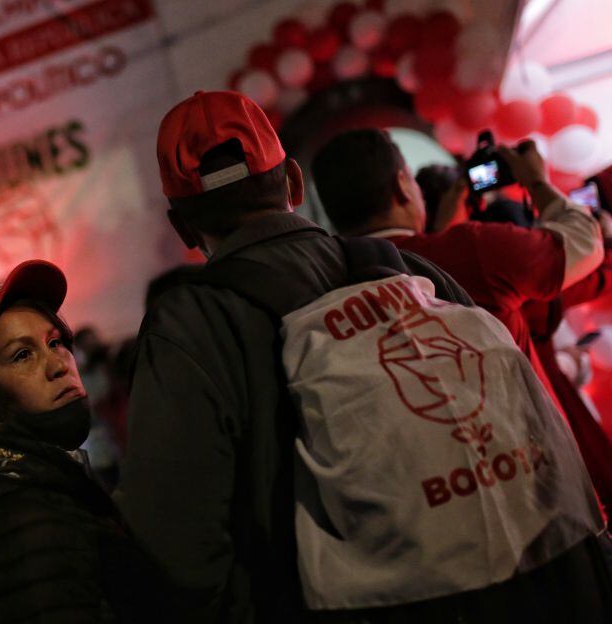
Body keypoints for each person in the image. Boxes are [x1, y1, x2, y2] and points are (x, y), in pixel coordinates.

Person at [117, 91, 610, 622]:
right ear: (292, 183)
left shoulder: (191, 328)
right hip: (541, 581)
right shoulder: (410, 271)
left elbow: (175, 545)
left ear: (183, 227)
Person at [312, 129, 610, 504]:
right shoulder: (472, 250)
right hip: (540, 485)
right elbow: (584, 243)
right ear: (403, 185)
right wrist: (536, 179)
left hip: (436, 501)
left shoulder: (324, 296)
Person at [0, 260, 175, 623]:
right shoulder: (6, 514)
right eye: (22, 354)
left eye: (55, 342)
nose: (59, 364)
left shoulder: (37, 479)